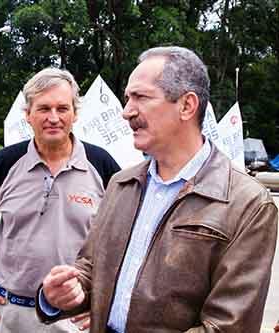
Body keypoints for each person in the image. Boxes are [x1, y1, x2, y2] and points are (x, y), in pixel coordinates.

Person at [38, 46, 278, 333]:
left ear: (187, 106)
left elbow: (227, 327)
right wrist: (64, 294)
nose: (127, 112)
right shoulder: (121, 185)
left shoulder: (248, 204)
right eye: (127, 98)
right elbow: (90, 268)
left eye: (140, 97)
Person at [0, 67, 121, 333]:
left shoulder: (101, 165)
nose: (53, 118)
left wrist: (109, 298)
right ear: (28, 114)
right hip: (7, 314)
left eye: (62, 108)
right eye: (43, 108)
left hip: (71, 318)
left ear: (75, 113)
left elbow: (132, 238)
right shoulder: (6, 163)